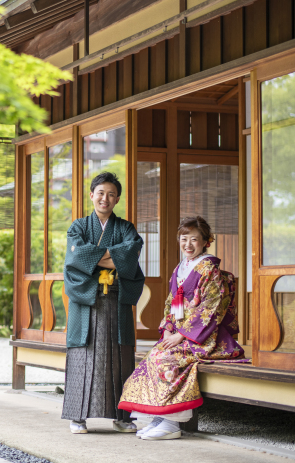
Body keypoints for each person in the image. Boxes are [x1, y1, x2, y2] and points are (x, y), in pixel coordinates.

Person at [118, 216, 247, 441]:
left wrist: (182, 335)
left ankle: (172, 423)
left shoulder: (209, 269)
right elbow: (173, 303)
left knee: (166, 360)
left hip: (205, 338)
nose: (188, 244)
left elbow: (211, 308)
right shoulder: (181, 268)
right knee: (153, 356)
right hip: (181, 334)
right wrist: (169, 328)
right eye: (183, 239)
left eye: (194, 239)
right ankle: (159, 417)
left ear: (206, 241)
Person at [61, 172, 145, 434]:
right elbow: (76, 256)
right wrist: (113, 256)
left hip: (116, 300)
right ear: (91, 195)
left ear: (117, 199)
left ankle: (122, 417)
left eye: (111, 194)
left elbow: (130, 255)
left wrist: (95, 256)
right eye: (100, 193)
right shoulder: (78, 227)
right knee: (82, 354)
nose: (105, 198)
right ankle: (78, 417)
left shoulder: (126, 228)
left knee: (120, 357)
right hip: (86, 300)